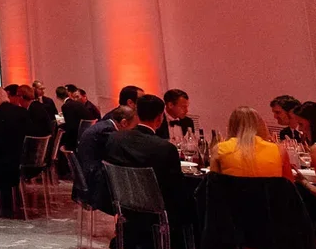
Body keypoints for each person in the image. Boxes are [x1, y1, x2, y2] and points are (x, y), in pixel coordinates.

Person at [104, 94, 193, 226]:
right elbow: (175, 188)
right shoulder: (165, 148)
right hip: (157, 211)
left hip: (124, 205)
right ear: (159, 118)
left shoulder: (115, 139)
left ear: (137, 115)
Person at [74, 104, 134, 210]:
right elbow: (115, 156)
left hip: (85, 175)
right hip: (93, 180)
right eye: (134, 126)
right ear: (124, 123)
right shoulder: (107, 131)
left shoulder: (104, 125)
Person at [210, 106, 292, 178]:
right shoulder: (279, 151)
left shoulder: (219, 150)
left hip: (233, 195)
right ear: (261, 124)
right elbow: (289, 186)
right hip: (269, 195)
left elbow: (212, 186)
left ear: (231, 126)